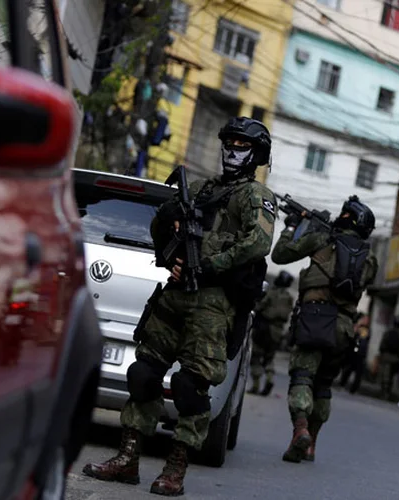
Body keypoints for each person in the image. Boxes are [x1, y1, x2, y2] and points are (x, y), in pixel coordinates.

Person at [82, 117, 276, 496]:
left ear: (256, 155)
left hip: (213, 304)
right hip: (174, 295)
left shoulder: (255, 195)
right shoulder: (201, 190)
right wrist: (169, 251)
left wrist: (212, 264)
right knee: (143, 374)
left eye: (241, 146)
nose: (231, 151)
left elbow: (258, 244)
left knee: (190, 387)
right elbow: (160, 223)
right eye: (229, 143)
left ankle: (175, 469)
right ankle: (128, 459)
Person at [271, 195, 378, 464]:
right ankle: (312, 445)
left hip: (315, 318)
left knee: (302, 378)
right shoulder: (370, 258)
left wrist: (293, 226)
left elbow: (281, 254)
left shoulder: (321, 240)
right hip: (344, 327)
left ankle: (300, 431)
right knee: (324, 386)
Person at [250, 271, 295, 396]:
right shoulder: (289, 298)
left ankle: (256, 385)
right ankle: (269, 379)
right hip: (277, 331)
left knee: (256, 356)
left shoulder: (272, 293)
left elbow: (259, 306)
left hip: (264, 328)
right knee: (269, 357)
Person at [339, 313, 370, 394]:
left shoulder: (367, 330)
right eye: (365, 319)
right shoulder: (357, 326)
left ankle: (353, 389)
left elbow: (366, 340)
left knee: (358, 373)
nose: (366, 321)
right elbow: (352, 335)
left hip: (361, 353)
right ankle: (342, 384)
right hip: (353, 352)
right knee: (348, 369)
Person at [379, 317, 399, 400]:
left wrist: (382, 354)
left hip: (386, 356)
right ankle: (387, 393)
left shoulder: (388, 333)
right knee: (390, 376)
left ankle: (384, 392)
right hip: (395, 358)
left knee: (385, 376)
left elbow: (382, 345)